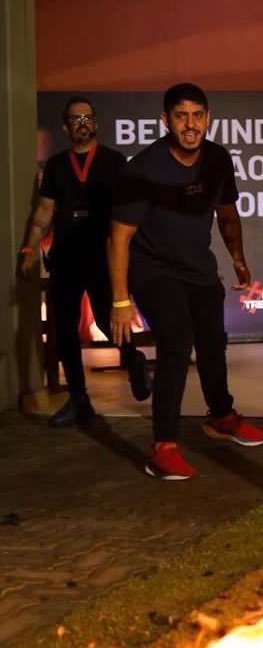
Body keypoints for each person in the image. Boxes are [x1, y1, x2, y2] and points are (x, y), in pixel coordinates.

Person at [109, 83, 263, 480]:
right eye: (181, 116)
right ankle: (162, 446)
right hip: (153, 268)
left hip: (197, 266)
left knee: (213, 340)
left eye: (198, 115)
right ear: (166, 120)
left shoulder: (217, 159)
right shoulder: (142, 169)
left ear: (208, 119)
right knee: (178, 340)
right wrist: (120, 301)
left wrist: (238, 260)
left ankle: (220, 417)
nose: (191, 124)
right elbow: (119, 238)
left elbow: (228, 216)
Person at [17, 96, 150, 428]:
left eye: (87, 118)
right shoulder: (57, 166)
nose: (82, 123)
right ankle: (79, 400)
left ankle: (133, 360)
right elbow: (43, 214)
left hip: (104, 255)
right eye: (75, 119)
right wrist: (29, 250)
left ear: (96, 123)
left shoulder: (114, 161)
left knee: (109, 322)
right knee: (64, 329)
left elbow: (131, 211)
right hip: (65, 257)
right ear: (66, 127)